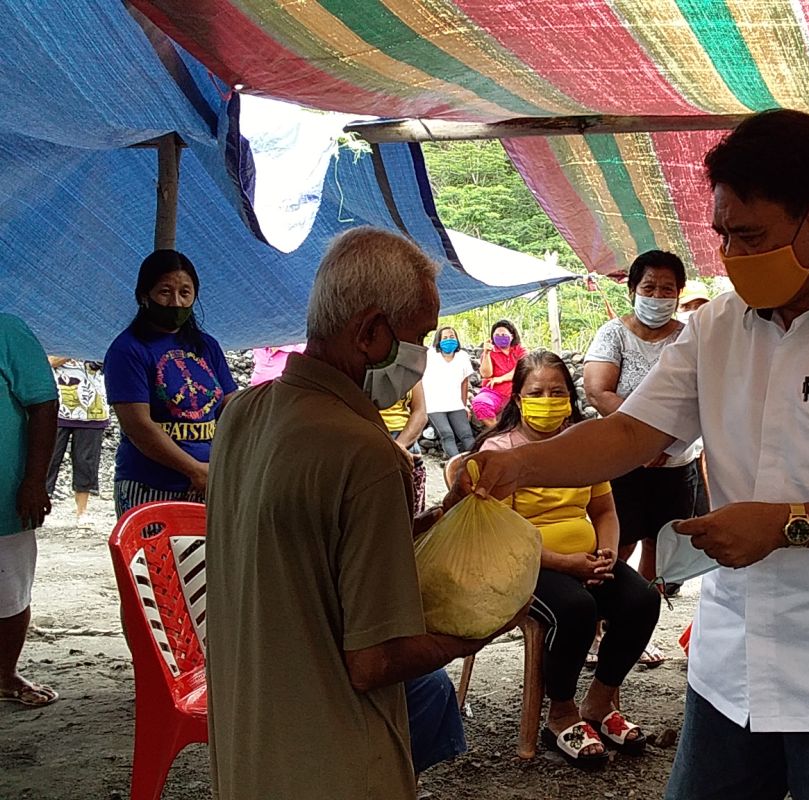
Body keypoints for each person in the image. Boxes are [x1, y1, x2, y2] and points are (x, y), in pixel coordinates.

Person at [457, 110, 809, 800]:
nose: (730, 254)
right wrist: (517, 464)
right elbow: (629, 433)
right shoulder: (719, 325)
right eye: (722, 234)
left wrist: (787, 523)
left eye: (751, 236)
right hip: (733, 662)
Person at [205, 226, 520, 800]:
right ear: (371, 332)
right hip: (336, 761)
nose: (422, 357)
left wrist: (435, 526)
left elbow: (311, 549)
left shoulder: (242, 413)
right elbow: (374, 661)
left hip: (249, 743)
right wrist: (478, 631)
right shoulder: (367, 454)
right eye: (418, 337)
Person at [474, 350, 660, 769]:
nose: (547, 399)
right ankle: (560, 714)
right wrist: (565, 563)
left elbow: (605, 511)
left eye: (557, 391)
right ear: (518, 399)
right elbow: (502, 533)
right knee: (576, 608)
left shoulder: (582, 446)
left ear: (570, 397)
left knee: (642, 600)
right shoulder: (500, 451)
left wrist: (607, 553)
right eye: (536, 392)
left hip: (586, 559)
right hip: (526, 565)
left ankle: (597, 703)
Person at [584, 251, 707, 603]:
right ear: (632, 290)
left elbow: (698, 397)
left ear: (679, 293)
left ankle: (640, 624)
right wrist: (642, 440)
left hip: (674, 462)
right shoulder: (614, 335)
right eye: (649, 287)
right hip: (622, 462)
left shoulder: (690, 338)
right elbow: (598, 390)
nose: (657, 296)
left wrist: (662, 445)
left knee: (661, 545)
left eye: (667, 289)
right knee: (617, 543)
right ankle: (599, 622)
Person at [104, 250, 238, 516]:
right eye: (165, 292)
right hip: (151, 485)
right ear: (144, 295)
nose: (176, 302)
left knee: (208, 559)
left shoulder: (207, 346)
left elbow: (230, 404)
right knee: (157, 559)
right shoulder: (128, 350)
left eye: (185, 293)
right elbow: (138, 426)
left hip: (208, 483)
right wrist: (193, 469)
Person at [0, 314, 59, 707]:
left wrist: (34, 481)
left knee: (9, 593)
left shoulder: (7, 330)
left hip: (4, 496)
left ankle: (5, 675)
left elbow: (44, 403)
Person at [45, 356, 109, 524]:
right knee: (48, 458)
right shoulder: (54, 339)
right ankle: (43, 504)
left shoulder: (97, 340)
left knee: (85, 462)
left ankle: (82, 511)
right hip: (57, 408)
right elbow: (48, 361)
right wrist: (70, 352)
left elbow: (107, 363)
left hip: (92, 409)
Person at [422, 326, 476, 456]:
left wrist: (464, 406)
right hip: (434, 406)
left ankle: (478, 464)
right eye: (445, 338)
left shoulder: (462, 356)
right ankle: (456, 466)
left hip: (455, 404)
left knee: (467, 435)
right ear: (438, 341)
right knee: (447, 435)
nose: (449, 340)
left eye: (452, 337)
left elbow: (464, 382)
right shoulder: (430, 355)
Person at [380, 385, 429, 513]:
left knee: (410, 514)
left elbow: (420, 413)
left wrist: (399, 446)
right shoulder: (356, 368)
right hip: (371, 436)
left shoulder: (410, 368)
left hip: (404, 438)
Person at [470, 320, 526, 427]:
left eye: (504, 335)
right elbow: (486, 374)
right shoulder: (491, 352)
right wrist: (486, 353)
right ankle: (497, 431)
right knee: (480, 403)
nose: (500, 337)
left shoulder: (520, 350)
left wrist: (501, 378)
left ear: (512, 336)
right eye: (497, 335)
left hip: (518, 392)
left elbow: (522, 369)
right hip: (494, 393)